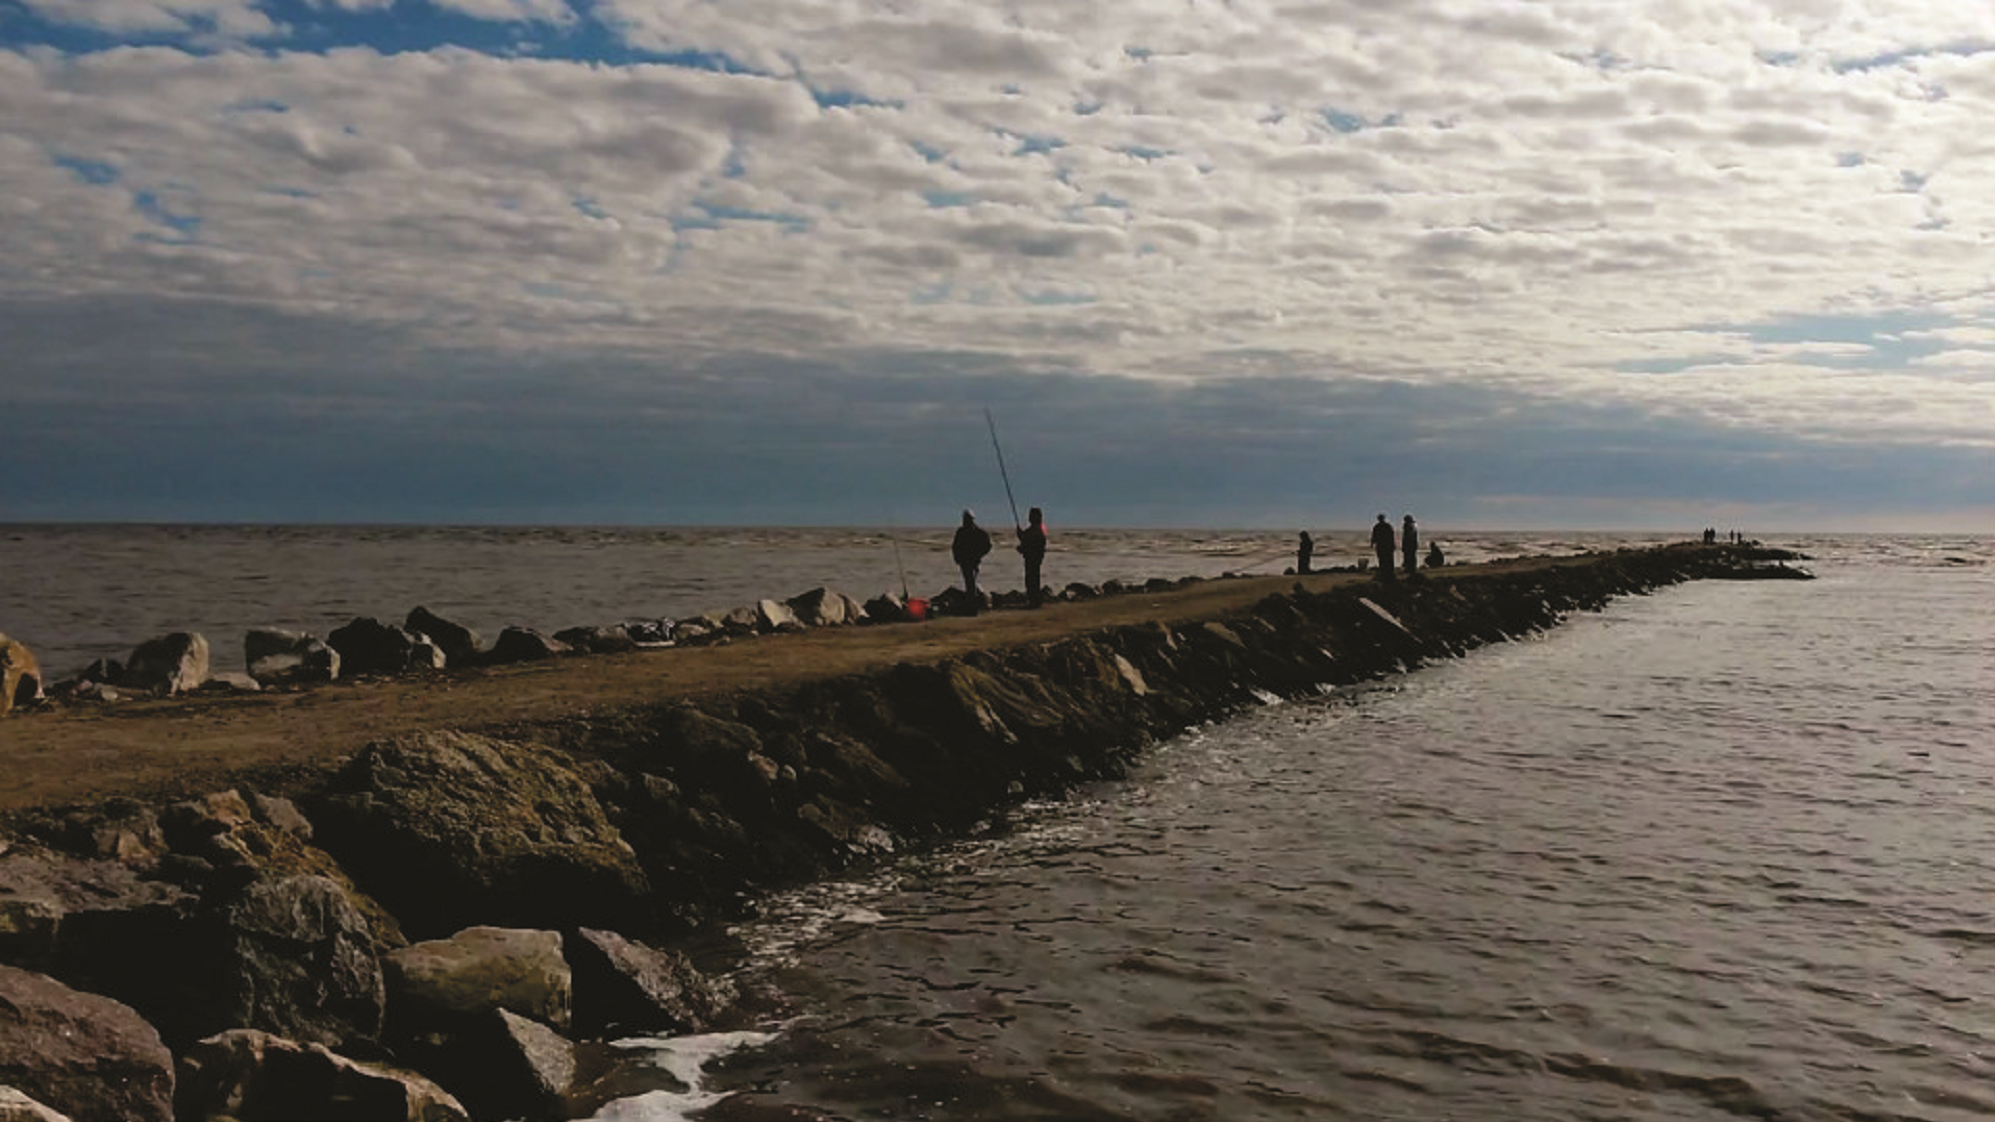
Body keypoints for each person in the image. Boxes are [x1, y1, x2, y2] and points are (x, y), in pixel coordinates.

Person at [951, 510, 992, 614]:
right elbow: (955, 546)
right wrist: (957, 557)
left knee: (971, 582)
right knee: (970, 582)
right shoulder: (962, 532)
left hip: (972, 561)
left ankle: (972, 607)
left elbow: (987, 546)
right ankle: (973, 604)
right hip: (965, 561)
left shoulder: (978, 532)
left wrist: (978, 554)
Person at [1016, 506, 1049, 607]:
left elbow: (1028, 541)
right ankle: (1035, 600)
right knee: (1033, 578)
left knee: (1031, 579)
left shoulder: (1036, 530)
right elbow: (1026, 538)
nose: (1029, 517)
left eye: (1031, 515)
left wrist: (1021, 539)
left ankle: (1034, 601)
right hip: (1035, 558)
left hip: (1032, 558)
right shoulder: (1039, 528)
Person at [1370, 514, 1395, 581]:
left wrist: (1372, 543)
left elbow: (1374, 536)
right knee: (1387, 559)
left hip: (1382, 545)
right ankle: (1389, 572)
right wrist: (1393, 545)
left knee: (1383, 559)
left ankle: (1385, 572)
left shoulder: (1377, 526)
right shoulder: (1388, 526)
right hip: (1386, 545)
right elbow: (1392, 536)